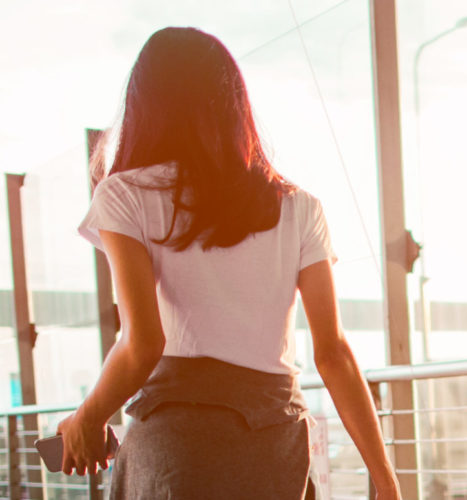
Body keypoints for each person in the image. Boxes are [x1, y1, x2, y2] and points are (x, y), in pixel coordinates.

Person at [57, 27, 401, 499]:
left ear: (145, 105)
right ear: (233, 105)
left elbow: (141, 343)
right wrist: (386, 482)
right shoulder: (300, 207)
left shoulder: (125, 195)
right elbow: (333, 353)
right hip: (271, 447)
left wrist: (86, 418)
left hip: (178, 449)